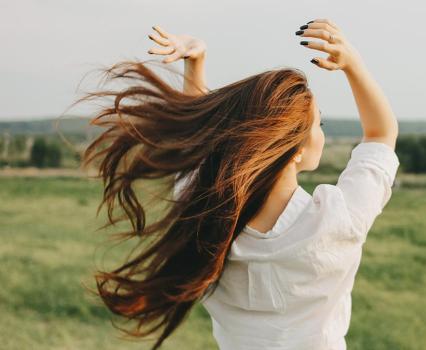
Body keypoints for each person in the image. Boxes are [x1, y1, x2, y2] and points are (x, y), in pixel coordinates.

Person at [79, 18, 399, 350]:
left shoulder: (205, 220)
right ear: (295, 149)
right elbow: (381, 134)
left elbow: (200, 150)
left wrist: (196, 64)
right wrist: (353, 64)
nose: (322, 130)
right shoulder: (336, 219)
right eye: (318, 123)